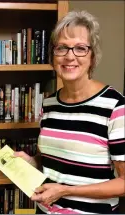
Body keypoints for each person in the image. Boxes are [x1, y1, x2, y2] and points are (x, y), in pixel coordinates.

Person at [14, 10, 125, 214]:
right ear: (53, 56)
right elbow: (50, 158)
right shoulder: (49, 103)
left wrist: (64, 191)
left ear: (92, 57)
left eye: (80, 48)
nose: (69, 56)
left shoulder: (115, 106)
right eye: (62, 48)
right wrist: (30, 161)